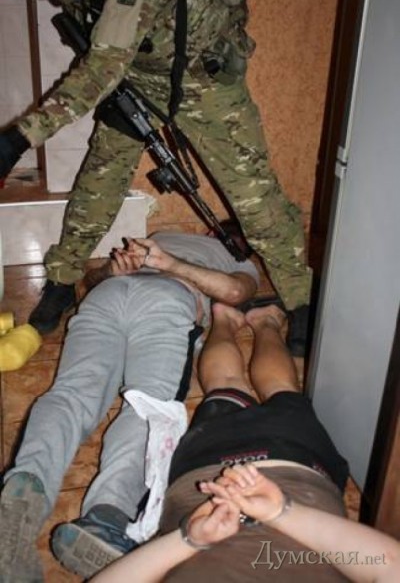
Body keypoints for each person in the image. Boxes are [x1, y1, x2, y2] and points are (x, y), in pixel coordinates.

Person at [0, 0, 312, 353]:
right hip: (134, 75)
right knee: (100, 181)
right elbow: (105, 51)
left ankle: (300, 299)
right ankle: (62, 280)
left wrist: (16, 141)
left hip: (202, 79)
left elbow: (99, 70)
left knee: (255, 198)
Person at [0, 229, 259, 582]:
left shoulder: (165, 237)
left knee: (71, 394)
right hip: (166, 300)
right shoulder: (237, 261)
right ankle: (107, 516)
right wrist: (128, 268)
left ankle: (23, 488)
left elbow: (90, 282)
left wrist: (113, 272)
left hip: (106, 298)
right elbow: (234, 292)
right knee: (149, 407)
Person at [91, 303, 400, 582]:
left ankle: (260, 321)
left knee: (276, 390)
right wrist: (277, 513)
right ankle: (231, 318)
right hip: (214, 483)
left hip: (270, 476)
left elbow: (390, 565)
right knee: (230, 387)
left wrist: (191, 538)